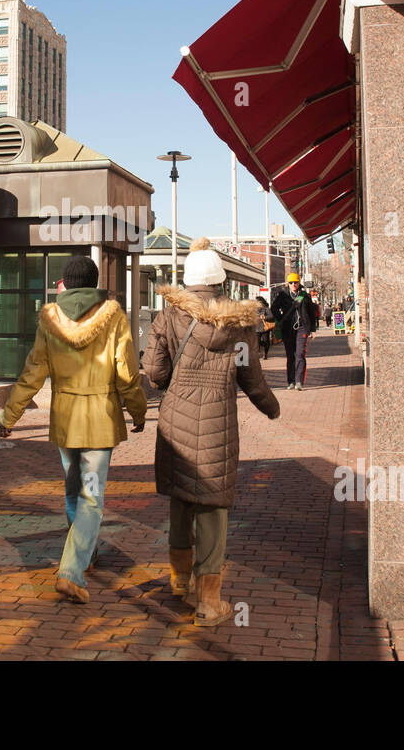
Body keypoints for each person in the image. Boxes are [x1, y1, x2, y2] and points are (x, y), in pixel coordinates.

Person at [142, 237, 280, 626]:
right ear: (221, 282)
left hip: (176, 418)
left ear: (186, 281)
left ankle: (178, 579)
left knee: (182, 498)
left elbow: (154, 373)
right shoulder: (238, 324)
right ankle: (208, 601)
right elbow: (251, 379)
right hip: (219, 418)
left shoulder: (167, 318)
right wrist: (271, 407)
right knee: (213, 508)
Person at [0, 255, 147, 604]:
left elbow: (32, 373)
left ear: (65, 282)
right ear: (94, 284)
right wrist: (137, 411)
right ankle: (71, 571)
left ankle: (84, 553)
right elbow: (126, 373)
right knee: (91, 497)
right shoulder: (113, 319)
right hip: (99, 422)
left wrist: (9, 417)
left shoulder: (50, 320)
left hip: (66, 422)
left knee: (72, 489)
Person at [272, 273, 318, 390]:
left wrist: (312, 329)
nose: (294, 285)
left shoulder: (305, 296)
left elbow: (312, 313)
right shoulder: (282, 295)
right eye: (291, 283)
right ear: (288, 284)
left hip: (302, 327)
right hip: (288, 328)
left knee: (300, 354)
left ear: (299, 283)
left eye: (296, 282)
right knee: (290, 356)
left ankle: (299, 382)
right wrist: (280, 318)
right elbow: (274, 308)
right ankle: (291, 381)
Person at [254, 295, 275, 360]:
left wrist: (265, 317)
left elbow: (271, 316)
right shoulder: (253, 309)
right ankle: (257, 355)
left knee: (266, 341)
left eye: (257, 301)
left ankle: (265, 353)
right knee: (257, 342)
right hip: (256, 328)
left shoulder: (266, 308)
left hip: (265, 328)